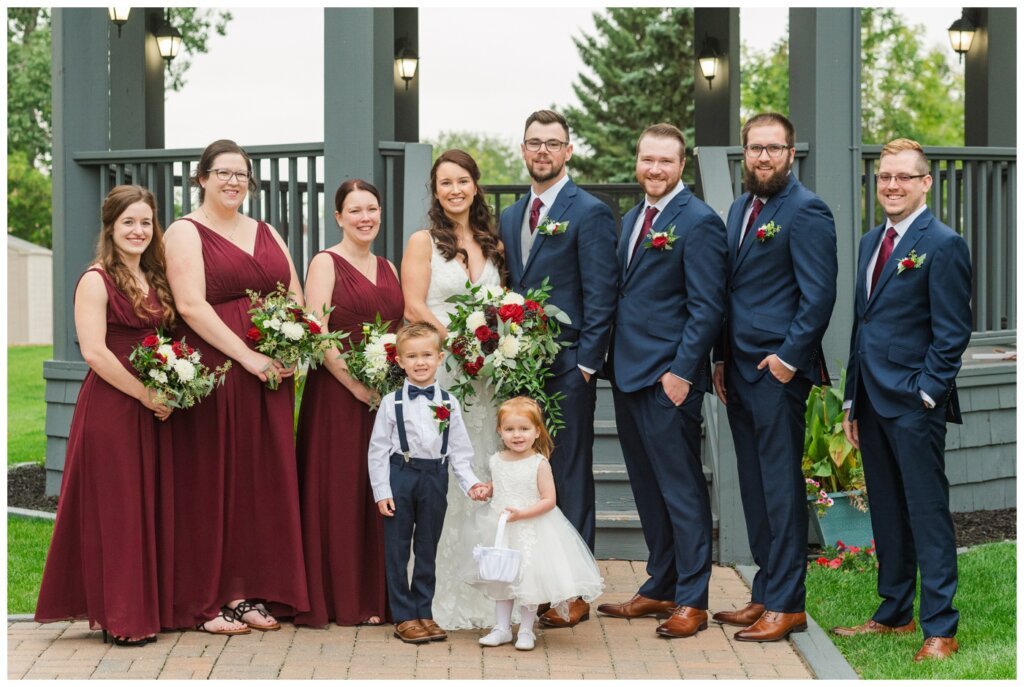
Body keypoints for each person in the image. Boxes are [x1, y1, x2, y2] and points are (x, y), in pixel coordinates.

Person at [163, 139, 308, 634]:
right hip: (219, 370)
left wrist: (289, 347)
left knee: (258, 480)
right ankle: (211, 598)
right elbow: (191, 306)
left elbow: (294, 293)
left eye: (241, 175)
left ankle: (251, 591)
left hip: (269, 375)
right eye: (222, 173)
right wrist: (247, 357)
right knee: (214, 477)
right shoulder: (184, 232)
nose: (232, 182)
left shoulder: (266, 231)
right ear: (201, 178)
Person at [835, 138, 972, 662]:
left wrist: (929, 393)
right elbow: (862, 326)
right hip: (870, 402)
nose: (891, 185)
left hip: (915, 403)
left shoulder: (943, 243)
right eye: (884, 177)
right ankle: (893, 614)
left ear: (925, 183)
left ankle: (941, 628)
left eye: (903, 177)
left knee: (926, 511)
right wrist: (852, 400)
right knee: (888, 512)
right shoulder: (872, 241)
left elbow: (953, 331)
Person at [711, 112, 838, 642]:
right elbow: (728, 289)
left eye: (774, 148)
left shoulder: (807, 210)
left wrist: (788, 359)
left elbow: (819, 296)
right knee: (757, 488)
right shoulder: (741, 207)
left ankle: (788, 604)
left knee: (781, 488)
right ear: (745, 153)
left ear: (791, 154)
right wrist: (719, 357)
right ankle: (766, 592)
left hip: (775, 372)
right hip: (736, 369)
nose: (763, 157)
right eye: (755, 148)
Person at [598, 124, 727, 638]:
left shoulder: (697, 222)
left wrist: (682, 373)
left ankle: (693, 599)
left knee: (682, 489)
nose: (654, 169)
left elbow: (707, 306)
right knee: (648, 489)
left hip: (667, 377)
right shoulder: (633, 218)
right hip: (628, 372)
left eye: (665, 161)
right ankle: (661, 585)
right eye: (647, 159)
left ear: (681, 167)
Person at [35, 185, 176, 645]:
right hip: (114, 407)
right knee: (118, 509)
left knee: (146, 505)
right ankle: (122, 618)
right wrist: (143, 394)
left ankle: (150, 606)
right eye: (128, 223)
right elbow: (94, 352)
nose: (138, 231)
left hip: (151, 408)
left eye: (145, 222)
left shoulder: (155, 278)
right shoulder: (96, 280)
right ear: (110, 229)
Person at [498, 109, 617, 628]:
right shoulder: (510, 216)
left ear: (568, 151)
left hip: (570, 366)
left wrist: (588, 363)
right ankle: (535, 586)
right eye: (533, 143)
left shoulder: (588, 211)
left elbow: (601, 291)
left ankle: (573, 592)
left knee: (568, 472)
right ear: (523, 150)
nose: (542, 151)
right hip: (521, 371)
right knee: (527, 479)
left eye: (553, 143)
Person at [401, 149, 504, 630]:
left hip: (487, 378)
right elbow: (414, 304)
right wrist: (457, 343)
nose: (455, 190)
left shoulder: (491, 241)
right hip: (444, 370)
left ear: (475, 185)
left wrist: (495, 348)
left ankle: (492, 587)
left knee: (483, 468)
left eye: (463, 180)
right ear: (435, 190)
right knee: (443, 478)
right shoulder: (423, 241)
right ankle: (433, 592)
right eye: (445, 183)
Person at [293, 179, 403, 627]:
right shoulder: (326, 262)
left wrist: (390, 379)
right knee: (338, 489)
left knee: (375, 490)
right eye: (354, 210)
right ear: (338, 217)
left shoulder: (389, 267)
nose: (365, 217)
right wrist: (355, 385)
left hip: (383, 394)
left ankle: (374, 595)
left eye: (372, 208)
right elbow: (316, 331)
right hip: (338, 397)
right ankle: (339, 599)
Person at [367, 322, 492, 644]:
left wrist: (472, 485)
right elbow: (378, 451)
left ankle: (424, 611)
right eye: (412, 356)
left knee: (427, 547)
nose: (420, 362)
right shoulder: (390, 402)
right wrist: (382, 491)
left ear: (439, 357)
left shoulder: (449, 402)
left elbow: (460, 453)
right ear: (400, 361)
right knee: (397, 549)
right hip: (401, 475)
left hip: (435, 478)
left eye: (426, 355)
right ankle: (404, 615)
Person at [469, 397, 604, 651]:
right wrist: (488, 489)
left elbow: (549, 500)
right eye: (510, 429)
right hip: (503, 530)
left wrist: (522, 514)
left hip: (531, 529)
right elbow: (503, 485)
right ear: (500, 431)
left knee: (528, 580)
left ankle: (527, 630)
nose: (517, 435)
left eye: (524, 429)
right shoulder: (497, 460)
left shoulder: (538, 463)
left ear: (537, 431)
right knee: (502, 580)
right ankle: (501, 628)